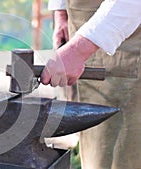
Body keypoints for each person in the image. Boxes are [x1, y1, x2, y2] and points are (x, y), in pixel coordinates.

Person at [42, 0, 141, 169]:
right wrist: (61, 12)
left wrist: (78, 50)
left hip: (126, 23)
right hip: (80, 21)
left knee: (121, 154)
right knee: (94, 147)